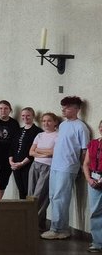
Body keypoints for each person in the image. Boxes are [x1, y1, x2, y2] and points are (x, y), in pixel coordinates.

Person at [44, 96, 90, 240]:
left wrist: (83, 169)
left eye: (68, 107)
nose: (63, 109)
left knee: (61, 197)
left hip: (68, 166)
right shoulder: (63, 125)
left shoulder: (81, 127)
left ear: (77, 109)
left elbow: (84, 151)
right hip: (56, 165)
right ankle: (56, 227)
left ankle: (61, 229)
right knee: (53, 196)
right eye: (62, 106)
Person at [28, 112, 60, 230]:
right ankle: (39, 223)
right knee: (31, 194)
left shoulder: (58, 135)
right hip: (35, 165)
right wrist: (45, 152)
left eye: (49, 121)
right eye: (44, 121)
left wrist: (39, 151)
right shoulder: (40, 135)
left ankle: (33, 222)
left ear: (55, 122)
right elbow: (31, 152)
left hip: (47, 167)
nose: (46, 123)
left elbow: (54, 152)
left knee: (40, 195)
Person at [9, 107, 41, 198]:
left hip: (28, 165)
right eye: (23, 115)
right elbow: (12, 147)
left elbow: (34, 151)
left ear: (33, 116)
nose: (25, 117)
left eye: (28, 115)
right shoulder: (18, 131)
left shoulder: (38, 132)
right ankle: (22, 211)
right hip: (15, 165)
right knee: (21, 190)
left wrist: (22, 163)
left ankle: (29, 211)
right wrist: (11, 162)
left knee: (29, 190)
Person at [82, 120, 102, 252]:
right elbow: (85, 164)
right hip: (94, 179)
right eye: (101, 127)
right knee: (95, 212)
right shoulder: (93, 144)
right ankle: (98, 242)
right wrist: (88, 178)